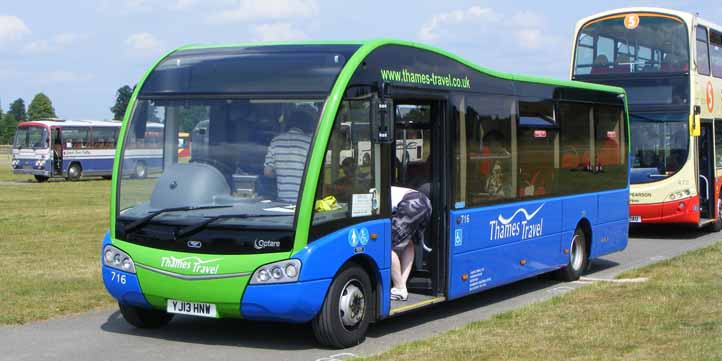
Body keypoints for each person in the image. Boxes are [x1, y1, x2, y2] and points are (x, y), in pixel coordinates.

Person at [390, 186, 432, 301]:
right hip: (425, 202)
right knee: (409, 243)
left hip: (411, 204)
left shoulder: (369, 192)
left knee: (385, 246)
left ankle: (399, 288)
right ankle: (402, 284)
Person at [264, 111, 314, 203]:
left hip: (283, 200)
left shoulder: (276, 141)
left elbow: (267, 172)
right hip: (304, 202)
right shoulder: (311, 142)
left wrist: (282, 175)